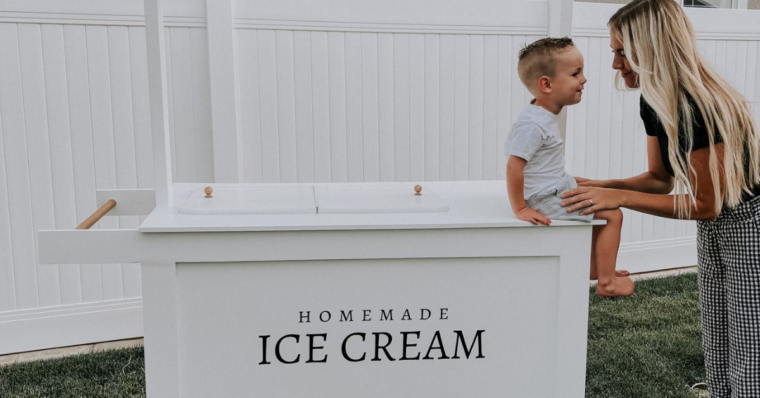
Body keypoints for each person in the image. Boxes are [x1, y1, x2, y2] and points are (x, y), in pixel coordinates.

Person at [560, 0, 760, 396]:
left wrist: (615, 196)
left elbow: (706, 203)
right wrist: (597, 184)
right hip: (716, 224)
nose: (615, 64)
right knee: (717, 338)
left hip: (749, 226)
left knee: (749, 349)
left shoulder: (700, 106)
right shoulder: (653, 99)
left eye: (621, 52)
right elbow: (659, 180)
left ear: (649, 50)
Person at [505, 37, 634, 297]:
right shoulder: (533, 124)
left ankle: (597, 267)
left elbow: (539, 163)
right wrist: (520, 207)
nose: (583, 79)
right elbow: (514, 165)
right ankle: (607, 281)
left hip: (553, 187)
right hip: (544, 198)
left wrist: (567, 179)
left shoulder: (541, 116)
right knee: (613, 214)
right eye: (576, 73)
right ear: (546, 84)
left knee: (595, 195)